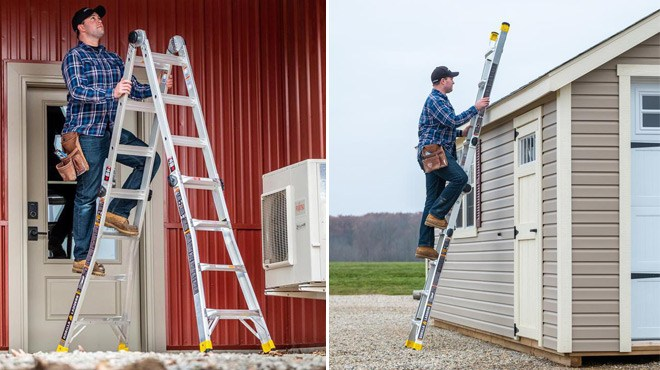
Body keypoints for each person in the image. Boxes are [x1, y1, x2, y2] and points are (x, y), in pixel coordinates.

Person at [62, 5, 171, 276]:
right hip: (87, 131)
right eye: (92, 18)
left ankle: (117, 212)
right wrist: (111, 92)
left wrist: (158, 86)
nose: (99, 21)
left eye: (99, 18)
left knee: (149, 160)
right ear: (81, 28)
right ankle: (82, 258)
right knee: (88, 194)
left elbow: (131, 88)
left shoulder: (112, 59)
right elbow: (77, 90)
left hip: (112, 128)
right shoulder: (74, 57)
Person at [415, 66, 489, 260]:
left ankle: (424, 245)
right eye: (451, 78)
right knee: (460, 178)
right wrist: (476, 108)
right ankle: (437, 214)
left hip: (430, 152)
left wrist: (459, 134)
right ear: (442, 81)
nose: (453, 81)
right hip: (434, 153)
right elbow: (452, 120)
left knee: (431, 199)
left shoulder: (438, 101)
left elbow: (438, 127)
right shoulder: (436, 100)